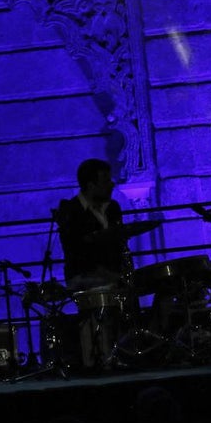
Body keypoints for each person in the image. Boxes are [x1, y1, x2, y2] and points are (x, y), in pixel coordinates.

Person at [54, 158, 128, 368]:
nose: (112, 184)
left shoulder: (113, 208)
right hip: (83, 275)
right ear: (90, 185)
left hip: (111, 273)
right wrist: (106, 273)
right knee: (107, 288)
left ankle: (125, 350)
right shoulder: (71, 210)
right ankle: (101, 356)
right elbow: (75, 251)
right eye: (106, 180)